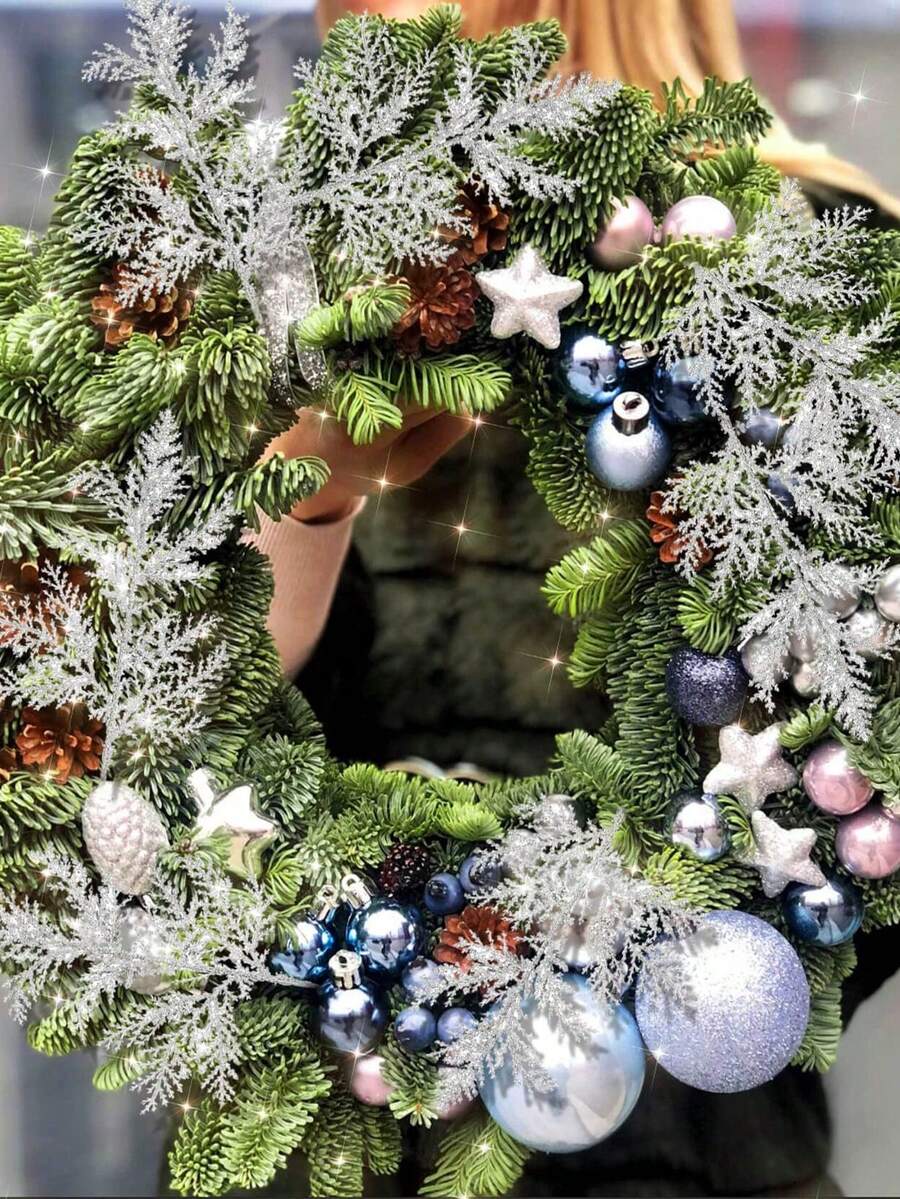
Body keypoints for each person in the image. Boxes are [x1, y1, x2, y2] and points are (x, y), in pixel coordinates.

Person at [252, 2, 900, 1194]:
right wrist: (312, 492)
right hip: (323, 1130)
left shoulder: (819, 262)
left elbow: (864, 820)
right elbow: (128, 743)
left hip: (688, 1144)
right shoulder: (263, 267)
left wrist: (688, 983)